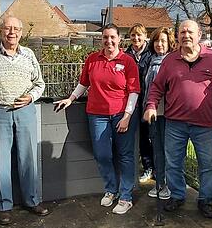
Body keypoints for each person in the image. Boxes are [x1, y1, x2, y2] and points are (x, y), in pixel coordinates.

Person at [54, 23, 140, 215]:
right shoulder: (93, 59)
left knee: (125, 155)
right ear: (101, 39)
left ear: (119, 39)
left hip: (121, 114)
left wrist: (127, 116)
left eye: (112, 37)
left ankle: (125, 196)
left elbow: (134, 91)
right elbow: (83, 83)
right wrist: (71, 98)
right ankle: (111, 189)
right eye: (105, 37)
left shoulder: (127, 61)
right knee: (102, 155)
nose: (109, 41)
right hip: (97, 115)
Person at [143, 20, 212, 219]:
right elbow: (156, 87)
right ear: (177, 36)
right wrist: (151, 106)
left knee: (209, 163)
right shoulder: (170, 61)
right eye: (182, 32)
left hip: (205, 124)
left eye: (190, 32)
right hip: (175, 123)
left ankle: (206, 200)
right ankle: (178, 195)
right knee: (173, 162)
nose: (186, 35)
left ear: (199, 35)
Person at [0, 16, 49, 225]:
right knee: (1, 161)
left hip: (25, 111)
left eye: (16, 29)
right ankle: (4, 206)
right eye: (7, 28)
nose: (12, 32)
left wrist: (31, 97)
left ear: (21, 32)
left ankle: (32, 200)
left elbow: (40, 83)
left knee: (28, 158)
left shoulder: (29, 54)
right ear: (0, 31)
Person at [143, 27, 175, 200]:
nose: (160, 44)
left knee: (169, 151)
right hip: (154, 113)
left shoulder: (172, 61)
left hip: (169, 114)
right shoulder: (151, 60)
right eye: (156, 40)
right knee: (157, 150)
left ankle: (171, 185)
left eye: (163, 40)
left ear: (170, 43)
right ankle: (160, 182)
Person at [125, 23, 155, 182]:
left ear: (145, 36)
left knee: (149, 136)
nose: (136, 38)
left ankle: (152, 167)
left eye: (139, 35)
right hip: (131, 101)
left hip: (147, 100)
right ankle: (142, 166)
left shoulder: (151, 54)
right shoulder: (126, 54)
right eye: (133, 35)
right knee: (137, 137)